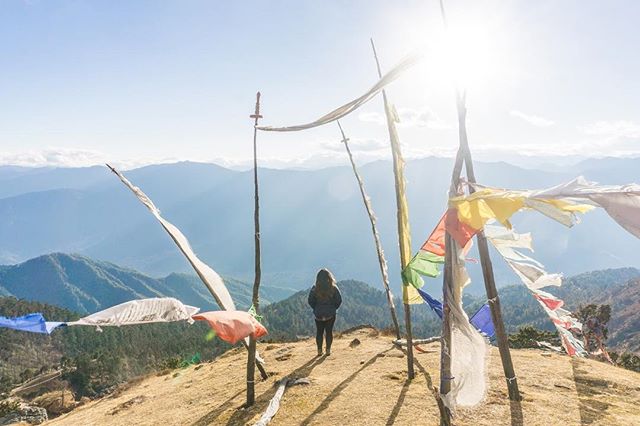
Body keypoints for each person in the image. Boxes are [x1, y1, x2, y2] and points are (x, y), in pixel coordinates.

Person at [307, 268, 342, 356]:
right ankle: (328, 350)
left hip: (318, 314)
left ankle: (319, 350)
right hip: (330, 314)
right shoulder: (333, 287)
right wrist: (334, 308)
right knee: (329, 331)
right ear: (329, 277)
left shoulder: (315, 289)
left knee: (319, 332)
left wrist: (315, 308)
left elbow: (310, 301)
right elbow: (339, 300)